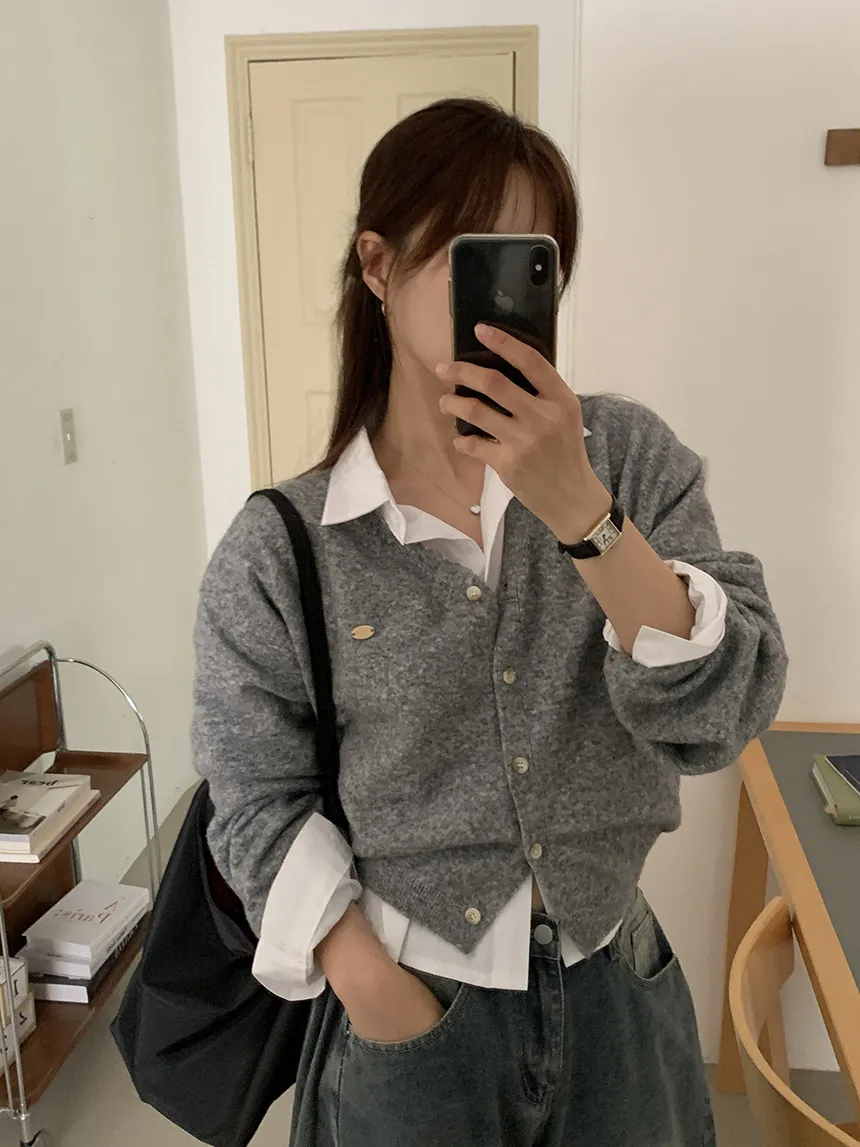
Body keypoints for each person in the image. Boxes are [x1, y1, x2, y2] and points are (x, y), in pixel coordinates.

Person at [192, 99, 788, 1146]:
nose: (504, 294)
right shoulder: (284, 544)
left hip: (617, 991)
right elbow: (251, 798)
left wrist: (583, 514)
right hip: (408, 1013)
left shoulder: (628, 459)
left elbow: (721, 714)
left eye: (533, 258)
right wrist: (372, 988)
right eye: (474, 251)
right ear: (377, 264)